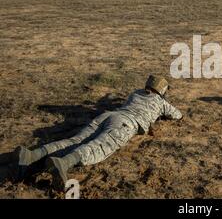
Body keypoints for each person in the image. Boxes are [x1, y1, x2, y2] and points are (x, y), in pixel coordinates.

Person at [12, 75, 182, 188]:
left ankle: (32, 155)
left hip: (109, 115)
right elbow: (177, 115)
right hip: (126, 123)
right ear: (162, 91)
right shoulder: (161, 102)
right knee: (98, 147)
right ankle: (64, 163)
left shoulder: (135, 93)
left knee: (75, 140)